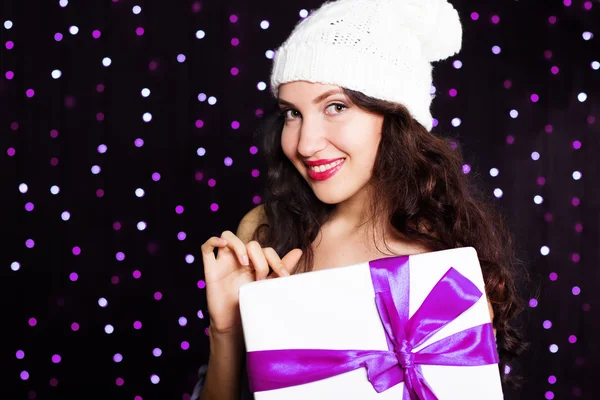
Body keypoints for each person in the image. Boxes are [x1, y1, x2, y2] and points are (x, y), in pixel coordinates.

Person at [194, 0, 526, 399]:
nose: (305, 144)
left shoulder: (442, 269)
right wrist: (227, 330)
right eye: (291, 113)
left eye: (335, 107)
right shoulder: (264, 229)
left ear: (397, 119)